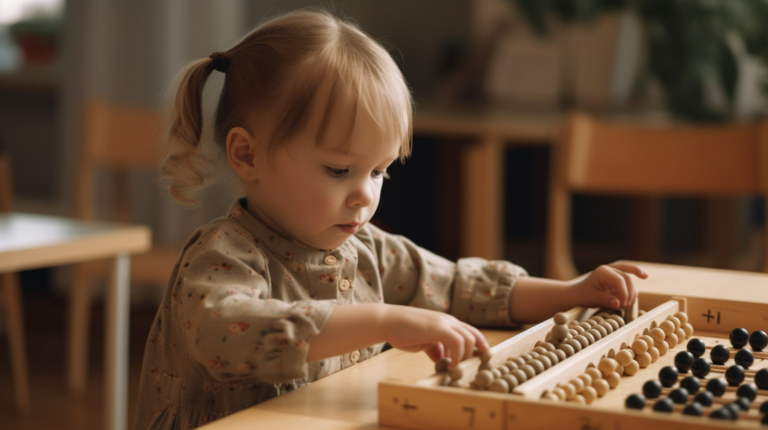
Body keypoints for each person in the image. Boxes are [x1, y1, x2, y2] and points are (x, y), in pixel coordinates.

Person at [134, 8, 647, 429]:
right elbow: (225, 332)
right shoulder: (222, 255)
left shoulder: (367, 250)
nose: (364, 195)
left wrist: (570, 291)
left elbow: (460, 287)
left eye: (378, 171)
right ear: (247, 155)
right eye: (339, 169)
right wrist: (387, 320)